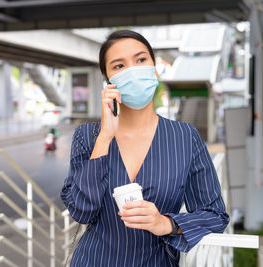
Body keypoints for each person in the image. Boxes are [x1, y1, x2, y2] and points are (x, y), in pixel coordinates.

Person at [60, 30, 229, 266]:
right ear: (108, 79)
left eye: (140, 60)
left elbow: (215, 215)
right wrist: (105, 138)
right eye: (119, 66)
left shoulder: (185, 137)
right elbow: (82, 212)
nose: (133, 71)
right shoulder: (88, 136)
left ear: (154, 67)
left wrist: (167, 223)